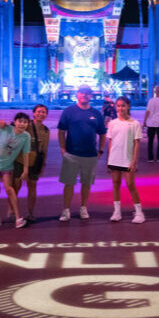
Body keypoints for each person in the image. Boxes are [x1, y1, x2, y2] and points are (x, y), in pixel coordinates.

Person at [57, 84, 107, 221]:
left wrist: (101, 150)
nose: (84, 95)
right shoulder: (68, 111)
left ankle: (83, 207)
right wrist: (62, 149)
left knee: (86, 183)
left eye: (87, 93)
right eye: (81, 92)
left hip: (90, 154)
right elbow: (61, 132)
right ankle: (66, 210)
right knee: (69, 183)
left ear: (91, 96)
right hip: (71, 153)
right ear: (77, 94)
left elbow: (102, 133)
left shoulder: (96, 114)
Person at [106, 96, 145, 223]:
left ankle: (139, 213)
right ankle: (117, 212)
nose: (120, 108)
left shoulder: (134, 123)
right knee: (115, 184)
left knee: (130, 185)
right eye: (118, 105)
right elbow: (110, 142)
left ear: (128, 106)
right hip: (114, 159)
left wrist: (134, 161)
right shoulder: (112, 123)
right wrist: (108, 160)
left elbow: (137, 143)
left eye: (123, 105)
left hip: (127, 159)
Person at [11, 103, 50, 223]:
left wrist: (43, 164)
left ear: (46, 115)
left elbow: (44, 149)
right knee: (16, 186)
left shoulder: (46, 130)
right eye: (38, 111)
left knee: (32, 187)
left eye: (43, 112)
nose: (41, 114)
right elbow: (13, 128)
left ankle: (30, 213)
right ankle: (14, 211)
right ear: (33, 113)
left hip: (35, 162)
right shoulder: (26, 124)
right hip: (20, 160)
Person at [143, 85, 159, 161]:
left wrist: (145, 121)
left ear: (155, 92)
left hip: (151, 123)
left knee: (150, 141)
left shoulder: (151, 100)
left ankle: (151, 158)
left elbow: (147, 111)